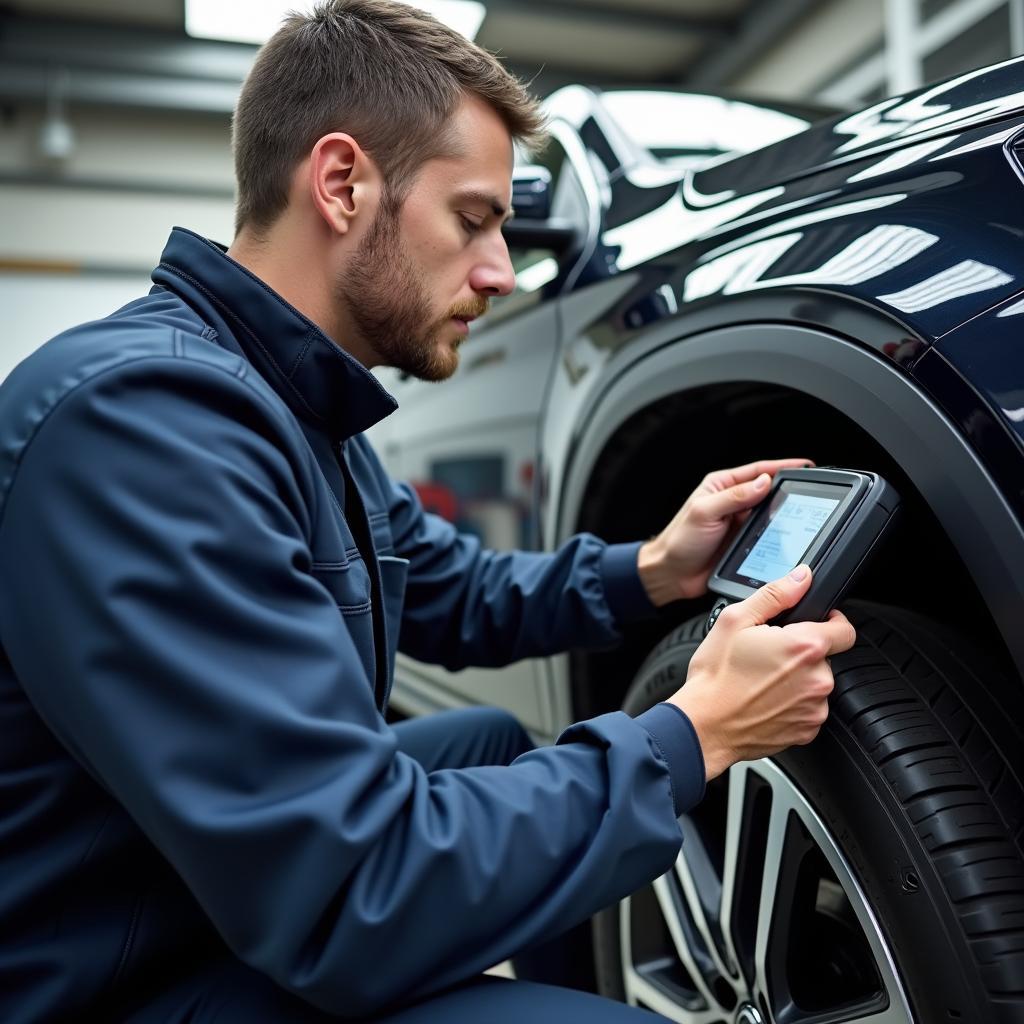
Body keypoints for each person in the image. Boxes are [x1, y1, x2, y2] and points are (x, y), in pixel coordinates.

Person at [0, 2, 855, 1021]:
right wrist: (693, 731)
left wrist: (652, 569)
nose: (500, 272)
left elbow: (455, 588)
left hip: (191, 880)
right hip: (116, 974)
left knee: (488, 740)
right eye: (475, 218)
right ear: (342, 183)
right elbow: (353, 892)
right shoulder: (148, 426)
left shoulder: (291, 411)